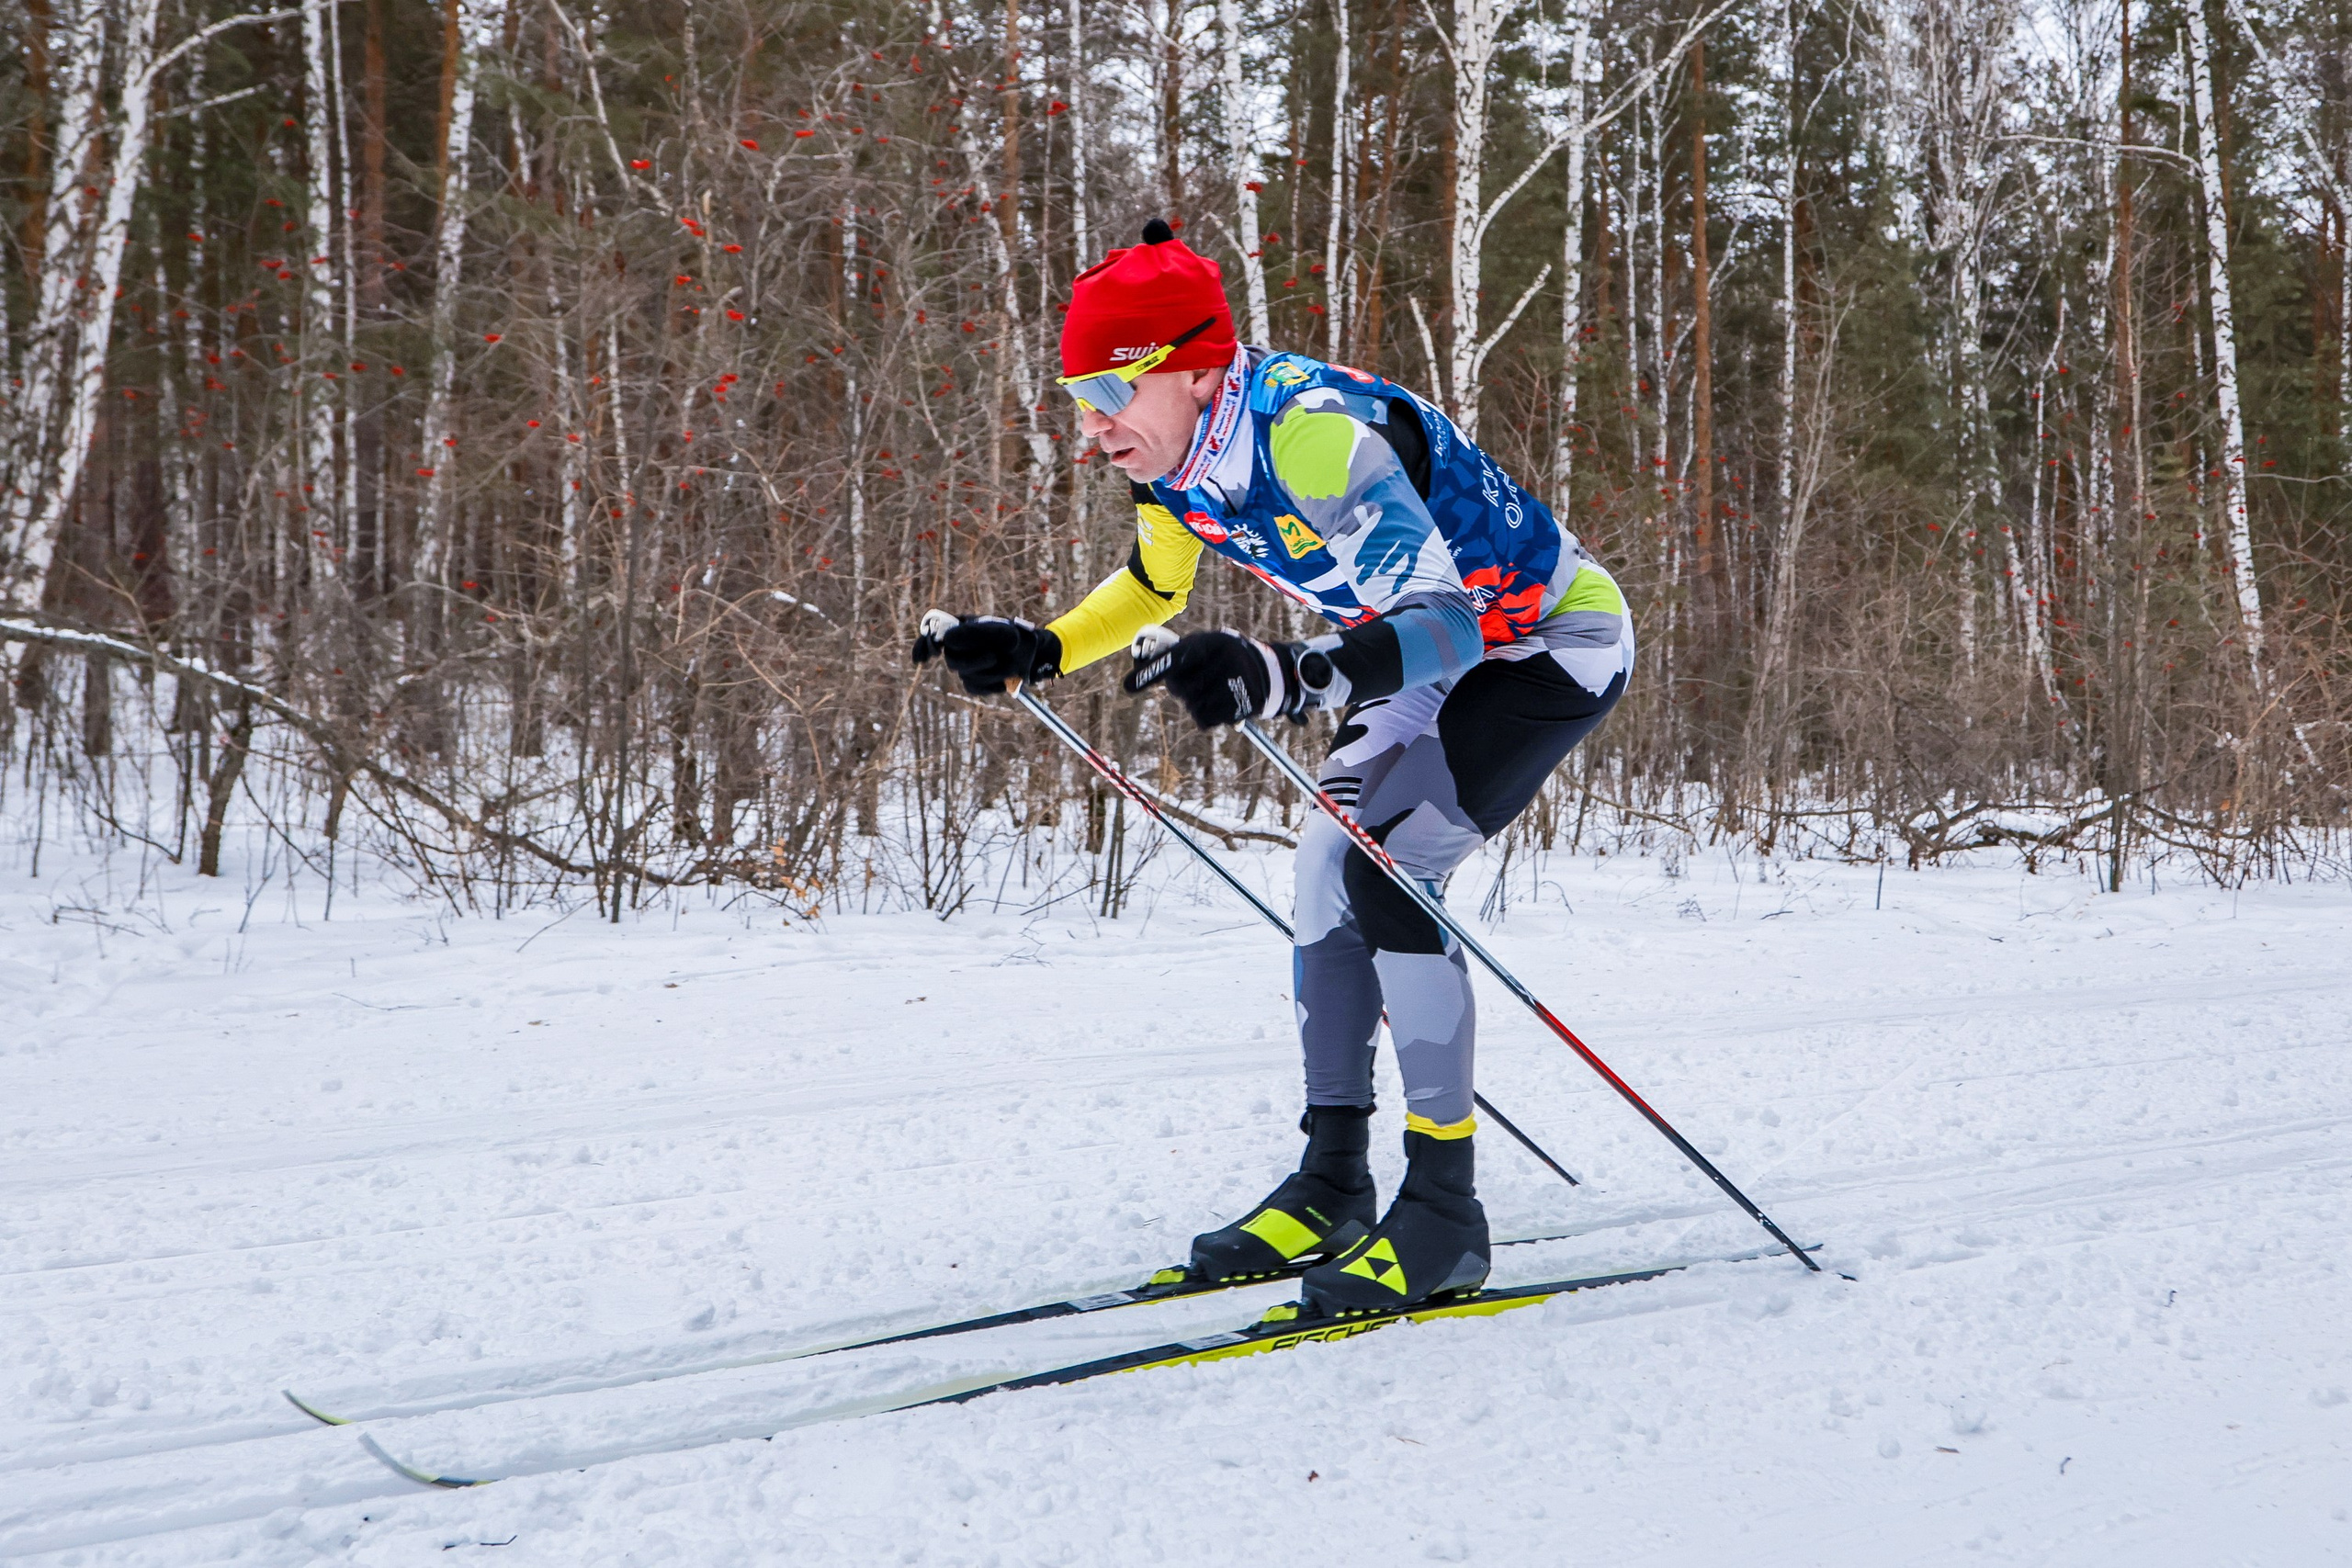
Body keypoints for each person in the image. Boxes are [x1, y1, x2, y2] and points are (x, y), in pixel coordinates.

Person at [913, 220, 1634, 1316]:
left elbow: (1447, 619)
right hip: (1417, 653)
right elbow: (1153, 589)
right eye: (1076, 397)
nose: (1092, 427)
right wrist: (1042, 647)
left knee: (1388, 870)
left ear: (1199, 370)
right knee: (1323, 872)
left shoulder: (1311, 436)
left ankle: (1444, 1213)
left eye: (1109, 391)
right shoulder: (1174, 461)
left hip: (1542, 645)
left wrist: (1289, 672)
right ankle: (1333, 1182)